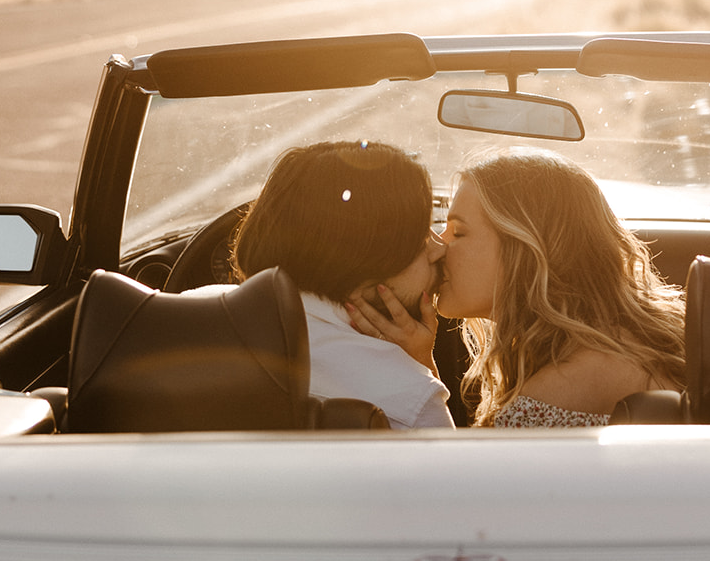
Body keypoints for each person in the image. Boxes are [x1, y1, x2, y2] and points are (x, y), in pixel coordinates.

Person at [351, 149, 684, 428]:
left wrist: (418, 374)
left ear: (523, 249)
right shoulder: (607, 345)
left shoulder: (561, 386)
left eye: (459, 232)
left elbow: (463, 492)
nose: (438, 248)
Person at [232, 140, 454, 430]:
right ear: (362, 266)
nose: (439, 248)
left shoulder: (184, 323)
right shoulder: (410, 401)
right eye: (419, 239)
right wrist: (419, 370)